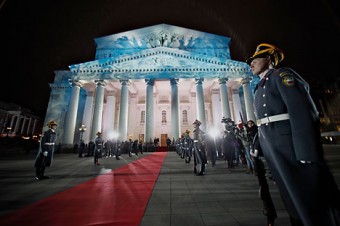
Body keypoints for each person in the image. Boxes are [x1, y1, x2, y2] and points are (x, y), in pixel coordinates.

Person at [247, 43, 340, 225]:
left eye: (256, 60)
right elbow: (263, 121)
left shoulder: (282, 76)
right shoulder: (259, 87)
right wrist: (257, 146)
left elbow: (302, 112)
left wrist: (307, 151)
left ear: (269, 59)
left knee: (309, 196)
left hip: (290, 147)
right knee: (291, 195)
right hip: (275, 150)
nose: (251, 63)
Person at [248, 120, 277, 226]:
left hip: (267, 157)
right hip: (258, 160)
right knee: (263, 188)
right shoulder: (251, 132)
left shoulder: (258, 130)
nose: (249, 125)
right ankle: (269, 212)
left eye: (251, 124)